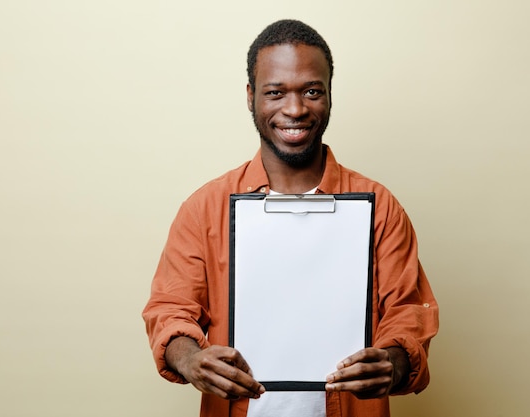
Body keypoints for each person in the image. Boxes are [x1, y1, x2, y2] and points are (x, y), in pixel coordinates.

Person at [142, 19, 439, 417]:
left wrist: (393, 363)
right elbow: (170, 309)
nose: (295, 109)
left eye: (312, 91)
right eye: (275, 92)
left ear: (330, 94)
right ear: (251, 97)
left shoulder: (379, 207)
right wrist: (190, 358)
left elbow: (407, 313)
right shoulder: (205, 208)